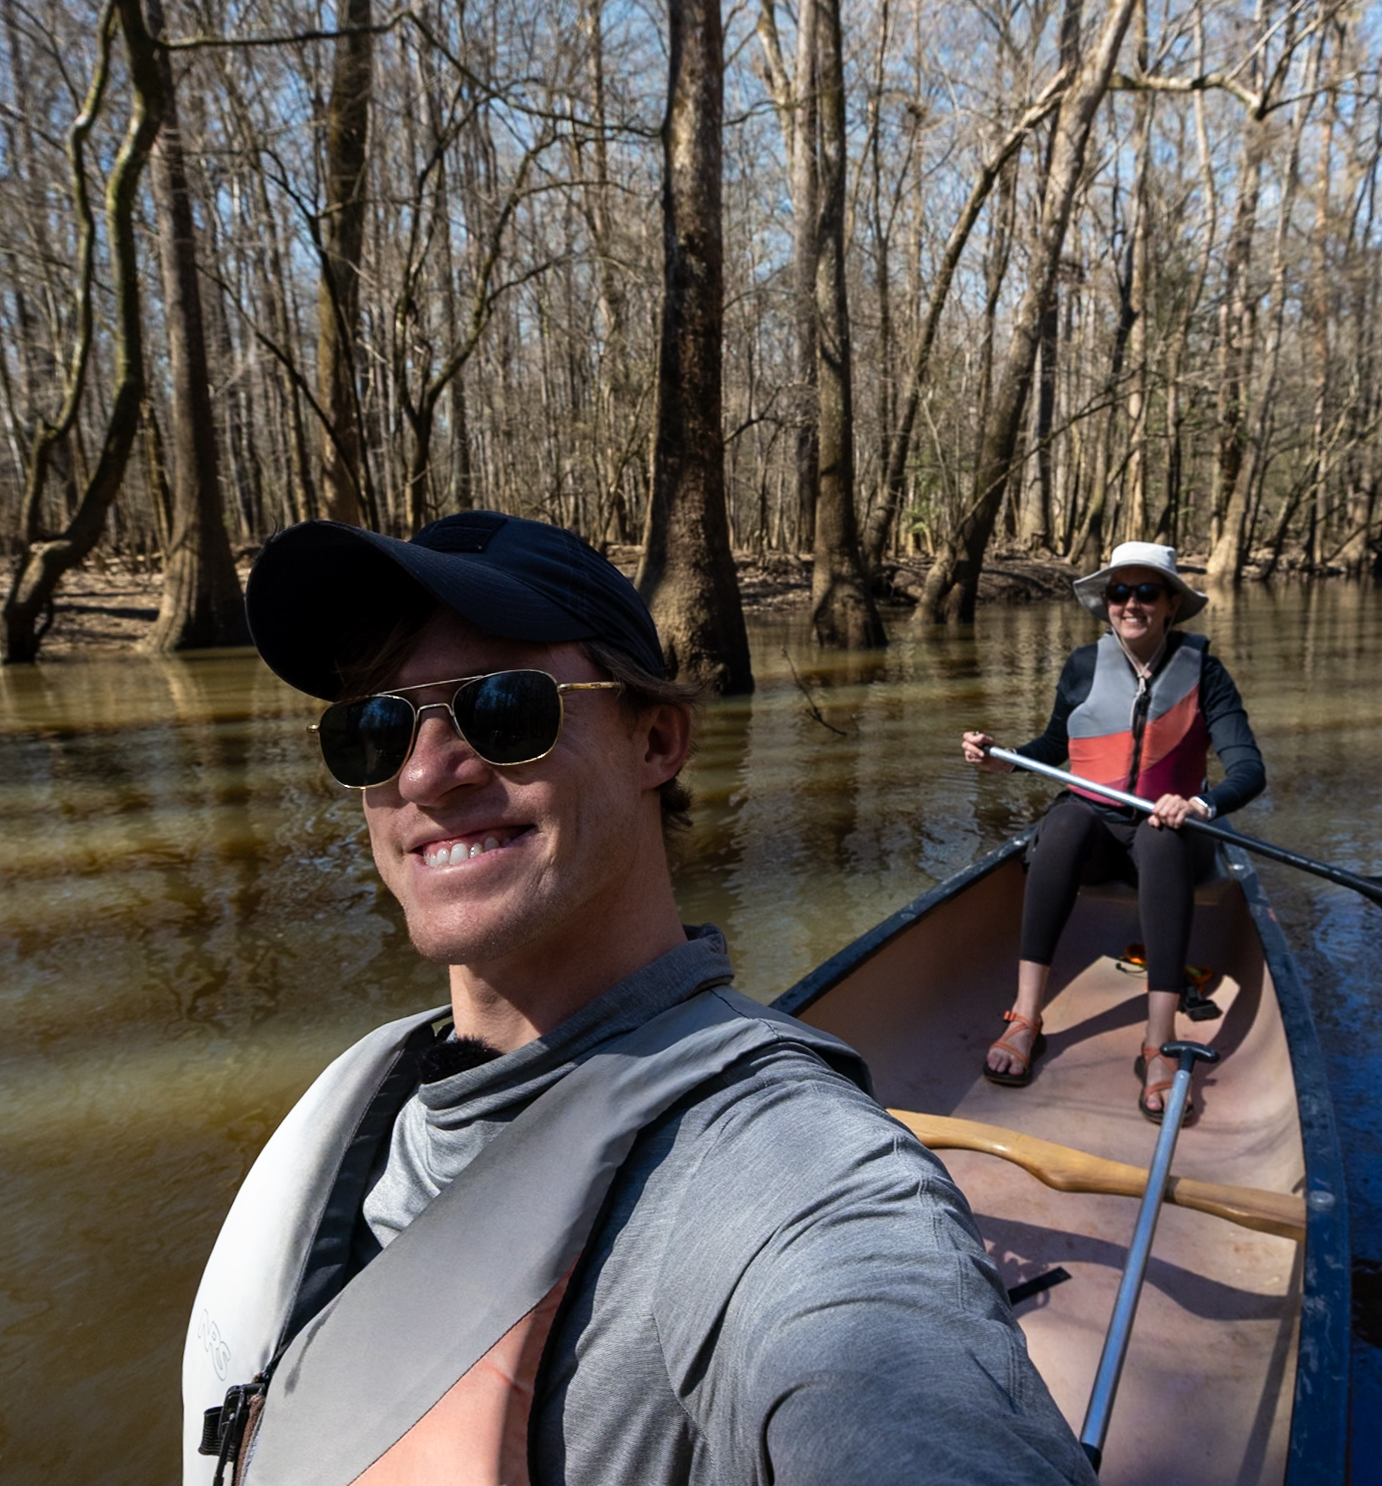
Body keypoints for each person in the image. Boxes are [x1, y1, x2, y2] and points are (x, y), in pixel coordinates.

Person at [184, 510, 1094, 1486]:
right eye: (373, 725)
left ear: (656, 738)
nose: (422, 773)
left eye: (502, 707)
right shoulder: (376, 1104)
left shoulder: (795, 1185)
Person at [960, 541, 1266, 1123]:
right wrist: (1004, 758)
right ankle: (1026, 1017)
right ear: (1107, 603)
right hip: (1098, 833)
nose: (1131, 603)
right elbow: (1053, 749)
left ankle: (1158, 1043)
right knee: (1065, 821)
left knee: (1161, 839)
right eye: (1120, 592)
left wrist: (1201, 803)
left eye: (1147, 591)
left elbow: (1249, 770)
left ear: (1172, 603)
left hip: (1170, 834)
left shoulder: (1207, 673)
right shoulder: (1081, 666)